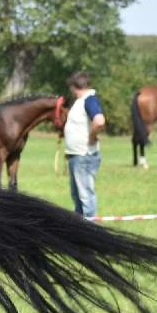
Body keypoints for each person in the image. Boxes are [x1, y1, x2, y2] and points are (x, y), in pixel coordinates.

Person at [63, 71, 106, 220]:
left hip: (83, 155)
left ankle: (91, 227)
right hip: (77, 155)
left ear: (74, 86)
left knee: (85, 194)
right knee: (77, 195)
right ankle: (80, 226)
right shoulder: (83, 101)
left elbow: (99, 121)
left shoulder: (89, 100)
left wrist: (92, 137)